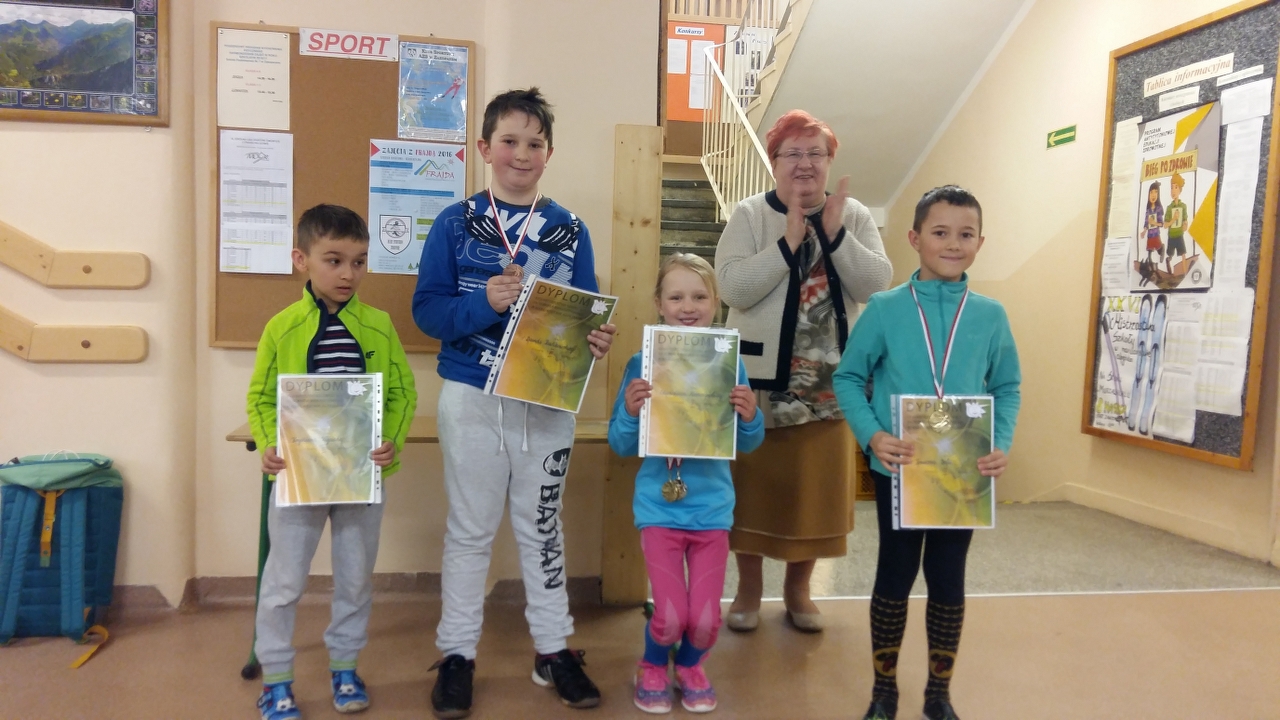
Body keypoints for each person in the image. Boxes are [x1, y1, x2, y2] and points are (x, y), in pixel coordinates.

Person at [412, 87, 617, 719]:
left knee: (542, 527)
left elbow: (583, 311)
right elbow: (428, 313)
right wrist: (485, 303)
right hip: (472, 396)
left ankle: (553, 649)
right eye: (509, 141)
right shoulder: (454, 222)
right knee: (471, 530)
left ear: (549, 153)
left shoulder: (571, 229)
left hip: (546, 398)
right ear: (484, 148)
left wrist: (595, 340)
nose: (521, 154)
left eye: (534, 143)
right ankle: (456, 655)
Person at [833, 185, 1021, 720]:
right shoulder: (886, 308)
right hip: (901, 465)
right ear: (915, 239)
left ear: (980, 242)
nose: (953, 244)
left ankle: (939, 694)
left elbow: (1007, 386)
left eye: (966, 234)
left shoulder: (990, 316)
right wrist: (873, 436)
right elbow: (848, 377)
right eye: (940, 233)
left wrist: (1000, 443)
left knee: (948, 577)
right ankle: (883, 691)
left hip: (963, 469)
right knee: (894, 575)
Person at [714, 109, 892, 632]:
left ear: (830, 161)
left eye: (816, 153)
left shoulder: (853, 214)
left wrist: (835, 235)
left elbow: (876, 285)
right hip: (761, 382)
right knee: (752, 489)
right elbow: (733, 288)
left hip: (831, 384)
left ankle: (799, 591)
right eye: (793, 153)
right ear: (774, 162)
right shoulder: (750, 214)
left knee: (815, 494)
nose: (805, 163)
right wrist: (786, 245)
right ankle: (748, 590)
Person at [246, 204, 419, 720]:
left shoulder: (378, 325)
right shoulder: (282, 327)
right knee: (283, 582)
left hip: (360, 478)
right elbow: (261, 397)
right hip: (298, 479)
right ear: (301, 259)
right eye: (334, 260)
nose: (348, 273)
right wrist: (269, 442)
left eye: (359, 262)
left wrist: (391, 442)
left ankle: (345, 667)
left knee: (355, 577)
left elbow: (402, 393)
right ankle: (276, 680)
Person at [608, 254, 765, 714]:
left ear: (716, 303)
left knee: (706, 620)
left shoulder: (729, 363)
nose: (688, 306)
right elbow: (621, 443)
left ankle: (691, 665)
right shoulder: (642, 362)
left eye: (699, 296)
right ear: (659, 304)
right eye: (676, 297)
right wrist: (630, 411)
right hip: (660, 510)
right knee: (671, 614)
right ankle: (652, 665)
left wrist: (751, 417)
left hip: (712, 511)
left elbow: (747, 443)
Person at [1163, 173, 1188, 272]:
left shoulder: (1183, 206)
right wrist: (1173, 219)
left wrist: (1185, 225)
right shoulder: (1169, 208)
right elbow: (1165, 225)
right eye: (1171, 187)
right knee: (1170, 255)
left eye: (1176, 187)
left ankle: (1185, 272)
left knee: (1183, 254)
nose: (1173, 190)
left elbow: (1185, 221)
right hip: (1171, 236)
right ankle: (1169, 266)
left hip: (1179, 235)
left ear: (1180, 189)